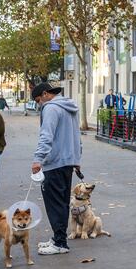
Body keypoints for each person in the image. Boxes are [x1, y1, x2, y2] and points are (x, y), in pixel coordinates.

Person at [31, 82, 82, 255]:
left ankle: (60, 243)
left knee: (54, 204)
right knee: (62, 202)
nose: (39, 104)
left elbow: (46, 136)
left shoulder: (51, 108)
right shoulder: (70, 107)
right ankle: (58, 238)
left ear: (45, 94)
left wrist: (38, 159)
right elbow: (76, 135)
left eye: (39, 100)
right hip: (67, 162)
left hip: (54, 162)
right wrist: (76, 158)